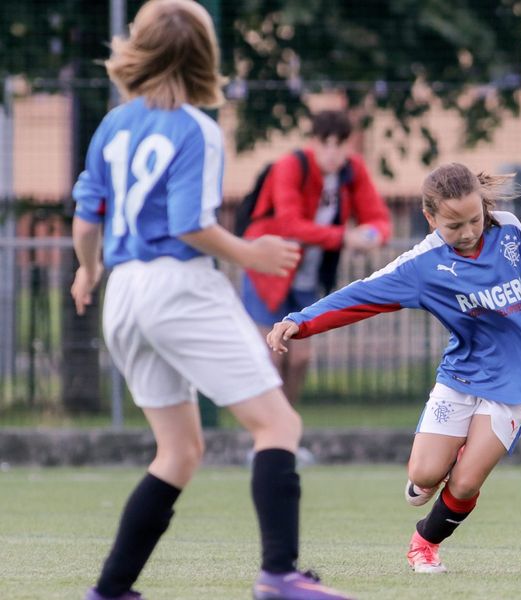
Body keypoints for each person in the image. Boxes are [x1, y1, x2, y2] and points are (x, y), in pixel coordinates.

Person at [70, 2, 352, 598]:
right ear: (205, 54)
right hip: (178, 285)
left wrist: (87, 271)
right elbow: (190, 225)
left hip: (122, 292)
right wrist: (251, 254)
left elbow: (86, 216)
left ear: (138, 48)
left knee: (178, 450)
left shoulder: (112, 124)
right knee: (278, 422)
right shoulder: (195, 127)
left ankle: (110, 589)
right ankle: (279, 574)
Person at [267, 162, 521, 573]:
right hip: (461, 375)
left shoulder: (508, 230)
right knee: (423, 476)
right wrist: (301, 320)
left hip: (515, 381)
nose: (469, 232)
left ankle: (424, 544)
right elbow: (361, 294)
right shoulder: (423, 265)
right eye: (454, 225)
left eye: (475, 219)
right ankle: (437, 467)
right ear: (430, 218)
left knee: (467, 481)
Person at [241, 109, 392, 405]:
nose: (333, 152)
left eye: (340, 144)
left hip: (306, 272)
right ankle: (268, 435)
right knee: (270, 356)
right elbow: (289, 224)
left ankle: (286, 428)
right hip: (269, 270)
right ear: (313, 142)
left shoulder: (353, 171)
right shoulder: (290, 166)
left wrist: (369, 237)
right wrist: (343, 237)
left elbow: (379, 220)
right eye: (326, 143)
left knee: (300, 357)